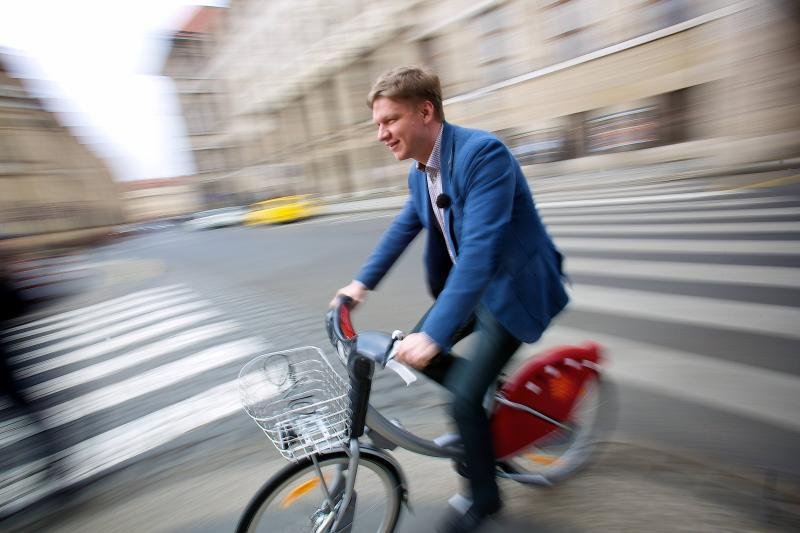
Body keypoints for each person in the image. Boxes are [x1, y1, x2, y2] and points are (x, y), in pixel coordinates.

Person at [331, 65, 568, 533]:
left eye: (390, 121)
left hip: (511, 291)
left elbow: (480, 251)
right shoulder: (422, 173)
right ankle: (484, 420)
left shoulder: (484, 155)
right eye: (377, 124)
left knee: (461, 399)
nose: (381, 134)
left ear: (425, 111)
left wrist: (435, 334)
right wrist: (359, 285)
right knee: (415, 358)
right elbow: (403, 229)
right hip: (470, 290)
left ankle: (485, 500)